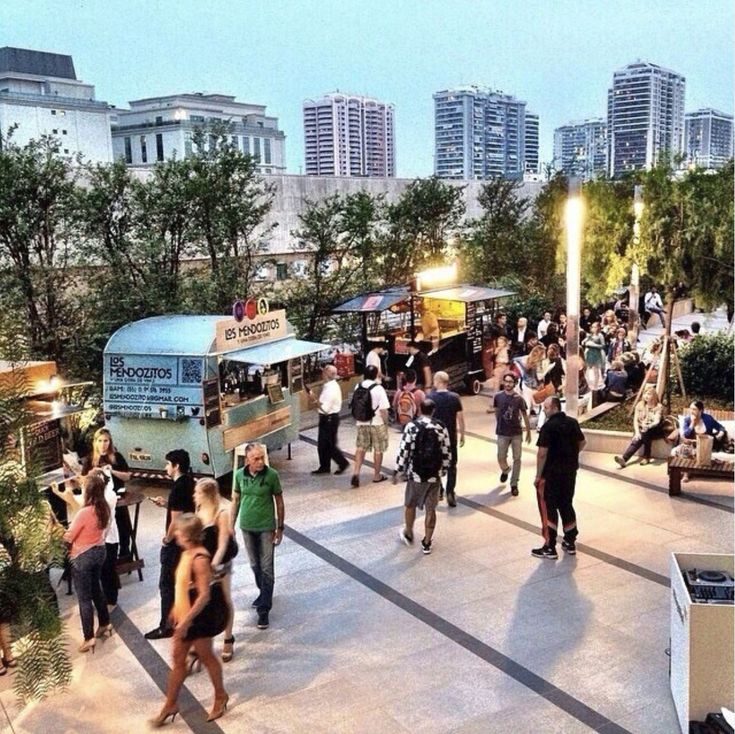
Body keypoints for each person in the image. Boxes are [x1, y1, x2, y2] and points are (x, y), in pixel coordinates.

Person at [150, 514, 229, 727]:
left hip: (198, 617)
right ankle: (170, 704)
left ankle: (220, 696)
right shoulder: (186, 553)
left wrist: (186, 622)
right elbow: (181, 585)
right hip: (185, 614)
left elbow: (204, 595)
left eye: (178, 531)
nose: (175, 534)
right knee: (178, 661)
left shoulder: (200, 558)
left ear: (188, 535)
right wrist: (176, 611)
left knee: (206, 656)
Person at [231, 443, 284, 630]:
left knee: (267, 566)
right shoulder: (239, 476)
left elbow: (279, 501)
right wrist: (231, 525)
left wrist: (280, 527)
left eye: (262, 457)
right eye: (256, 458)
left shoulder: (272, 476)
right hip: (247, 527)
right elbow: (236, 500)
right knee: (255, 565)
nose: (260, 461)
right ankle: (264, 593)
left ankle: (264, 610)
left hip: (266, 528)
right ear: (247, 460)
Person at [145, 449, 195, 640]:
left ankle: (166, 625)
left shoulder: (177, 489)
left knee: (166, 585)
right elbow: (184, 507)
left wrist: (166, 540)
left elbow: (175, 520)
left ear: (176, 466)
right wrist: (165, 504)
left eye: (168, 464)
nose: (166, 467)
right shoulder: (189, 483)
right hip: (188, 541)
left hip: (176, 545)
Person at [63, 470, 112, 653]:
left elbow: (70, 537)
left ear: (89, 491)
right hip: (100, 552)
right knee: (97, 589)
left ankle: (88, 637)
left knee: (84, 598)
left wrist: (59, 531)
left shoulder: (84, 512)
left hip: (82, 556)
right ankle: (105, 623)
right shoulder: (104, 508)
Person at [394, 399, 451, 555]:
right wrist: (443, 470)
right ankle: (427, 542)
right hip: (434, 475)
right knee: (430, 510)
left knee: (410, 504)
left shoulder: (412, 427)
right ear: (433, 410)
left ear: (419, 409)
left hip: (416, 475)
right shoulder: (440, 427)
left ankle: (409, 531)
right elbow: (446, 451)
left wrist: (399, 469)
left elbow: (404, 449)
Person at [532, 396, 586, 559]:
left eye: (546, 408)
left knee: (550, 507)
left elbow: (542, 453)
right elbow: (582, 443)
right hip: (570, 472)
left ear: (555, 408)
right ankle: (570, 541)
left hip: (552, 474)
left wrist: (538, 475)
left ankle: (550, 546)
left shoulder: (548, 427)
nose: (545, 411)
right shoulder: (572, 423)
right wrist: (570, 455)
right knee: (566, 504)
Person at [194, 479, 236, 663]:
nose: (195, 495)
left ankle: (228, 638)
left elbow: (223, 543)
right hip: (203, 563)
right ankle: (203, 641)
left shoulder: (222, 513)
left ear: (208, 494)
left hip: (220, 563)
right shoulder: (199, 509)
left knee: (224, 598)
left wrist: (215, 565)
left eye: (198, 493)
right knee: (203, 601)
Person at [78, 428, 133, 562]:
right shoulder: (90, 459)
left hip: (117, 497)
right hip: (99, 499)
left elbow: (127, 476)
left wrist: (113, 471)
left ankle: (125, 552)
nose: (103, 444)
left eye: (106, 441)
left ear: (110, 442)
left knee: (123, 523)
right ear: (95, 442)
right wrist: (92, 473)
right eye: (100, 441)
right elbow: (82, 480)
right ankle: (106, 554)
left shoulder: (117, 457)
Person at [427, 371, 465, 508]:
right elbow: (460, 417)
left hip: (435, 437)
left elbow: (427, 418)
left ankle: (440, 490)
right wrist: (463, 433)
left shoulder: (430, 397)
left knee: (436, 464)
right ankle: (450, 491)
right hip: (451, 436)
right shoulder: (455, 397)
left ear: (438, 381)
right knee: (452, 465)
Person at [350, 365, 390, 487]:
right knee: (378, 450)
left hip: (361, 422)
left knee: (360, 447)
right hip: (376, 422)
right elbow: (384, 409)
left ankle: (356, 473)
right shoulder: (379, 389)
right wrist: (386, 423)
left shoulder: (358, 386)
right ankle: (377, 475)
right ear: (376, 375)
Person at [493, 373, 532, 496]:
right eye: (506, 381)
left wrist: (528, 431)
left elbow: (525, 414)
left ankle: (514, 483)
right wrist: (499, 423)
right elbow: (496, 411)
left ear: (514, 383)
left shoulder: (518, 399)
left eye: (510, 382)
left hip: (516, 433)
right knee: (501, 457)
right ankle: (505, 470)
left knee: (517, 458)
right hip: (502, 432)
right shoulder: (498, 397)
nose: (508, 384)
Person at [308, 365, 349, 476]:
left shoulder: (331, 389)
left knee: (328, 445)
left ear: (326, 374)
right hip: (328, 419)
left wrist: (313, 398)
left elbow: (324, 409)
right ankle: (325, 466)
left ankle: (342, 463)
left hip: (329, 419)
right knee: (323, 445)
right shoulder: (329, 386)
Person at [672, 401, 729, 481]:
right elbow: (686, 435)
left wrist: (720, 434)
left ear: (701, 410)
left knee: (688, 450)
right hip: (692, 444)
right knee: (684, 449)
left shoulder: (708, 418)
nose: (691, 411)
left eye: (694, 409)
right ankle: (686, 474)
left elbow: (720, 427)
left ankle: (686, 473)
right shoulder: (687, 419)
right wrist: (692, 424)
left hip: (705, 444)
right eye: (690, 409)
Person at [614, 387, 663, 468]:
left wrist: (648, 426)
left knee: (645, 432)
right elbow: (635, 420)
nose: (646, 396)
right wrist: (637, 432)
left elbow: (656, 421)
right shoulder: (640, 405)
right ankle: (625, 459)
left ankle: (628, 458)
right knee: (638, 438)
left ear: (654, 396)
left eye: (649, 394)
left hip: (654, 429)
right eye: (645, 394)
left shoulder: (658, 406)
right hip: (641, 429)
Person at [514, 344, 546, 411]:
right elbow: (539, 377)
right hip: (533, 387)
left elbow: (515, 360)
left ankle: (524, 420)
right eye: (544, 354)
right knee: (534, 408)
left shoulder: (526, 358)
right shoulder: (538, 364)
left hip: (527, 386)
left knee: (529, 407)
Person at [582, 322, 606, 391]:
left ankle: (595, 386)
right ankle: (587, 385)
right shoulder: (590, 335)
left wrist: (593, 345)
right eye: (592, 327)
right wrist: (585, 342)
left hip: (596, 354)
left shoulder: (600, 335)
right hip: (589, 353)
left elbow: (603, 346)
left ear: (598, 328)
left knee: (596, 370)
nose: (593, 328)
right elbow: (583, 342)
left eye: (595, 327)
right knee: (586, 370)